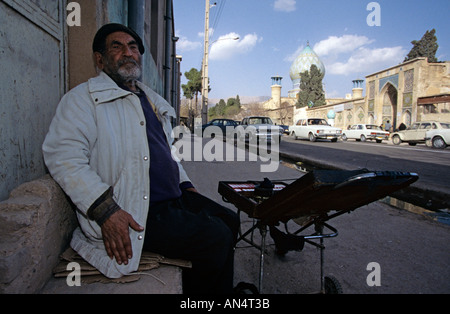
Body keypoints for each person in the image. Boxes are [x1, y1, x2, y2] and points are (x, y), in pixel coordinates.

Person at [42, 23, 240, 294]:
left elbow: (166, 152)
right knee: (215, 237)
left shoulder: (150, 100)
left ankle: (213, 290)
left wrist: (186, 186)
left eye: (133, 47)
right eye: (117, 46)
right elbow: (63, 156)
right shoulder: (83, 99)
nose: (128, 52)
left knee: (230, 219)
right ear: (99, 59)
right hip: (137, 209)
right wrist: (107, 211)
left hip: (173, 198)